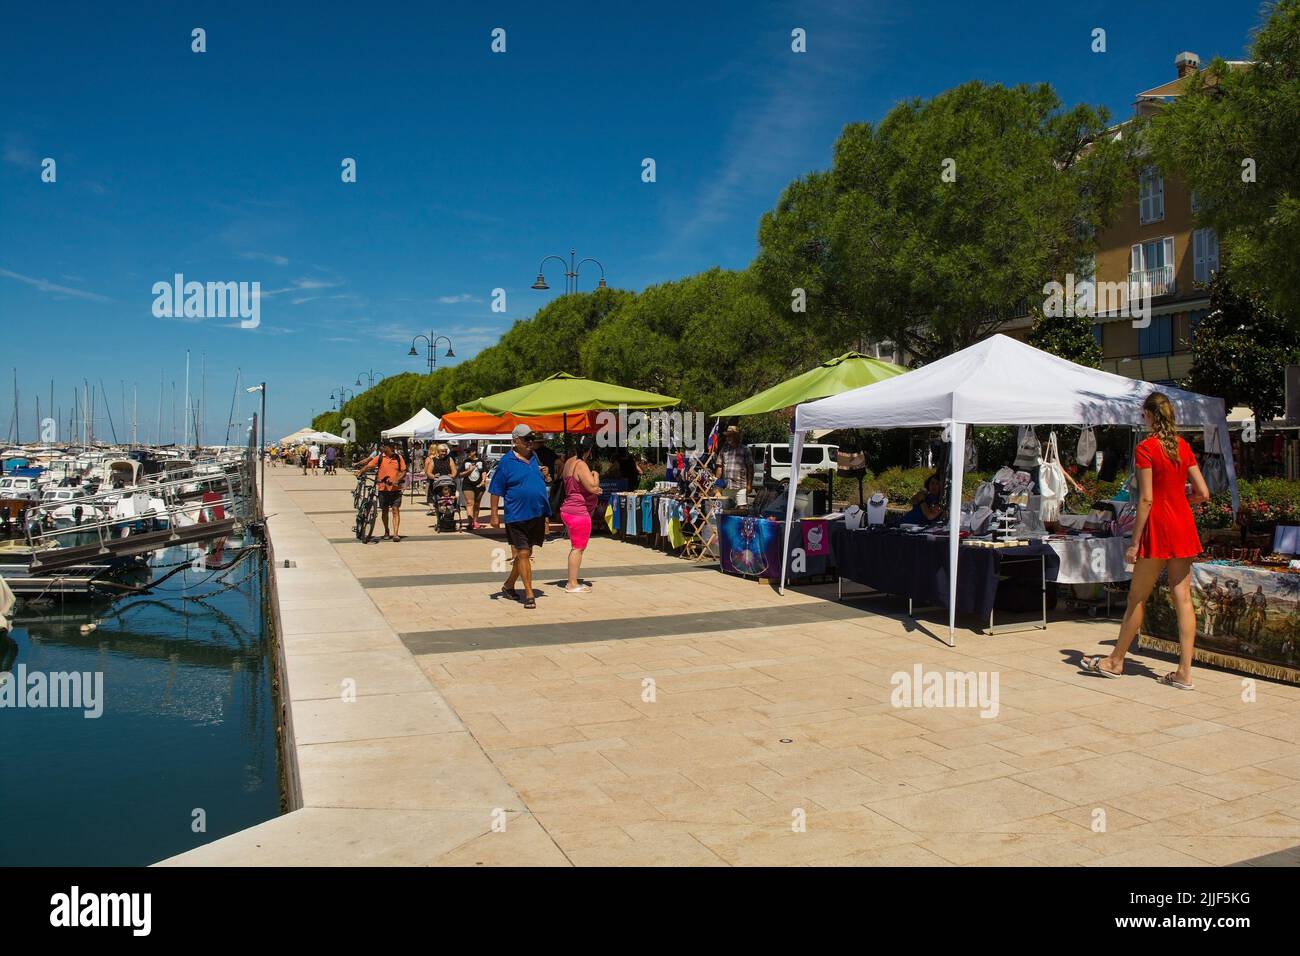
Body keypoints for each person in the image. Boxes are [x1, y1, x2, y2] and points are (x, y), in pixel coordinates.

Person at [1082, 392, 1210, 689]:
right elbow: (1203, 492)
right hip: (1183, 525)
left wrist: (1135, 542)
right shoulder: (1183, 447)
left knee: (1137, 597)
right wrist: (1181, 499)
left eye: (1143, 415)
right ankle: (1184, 673)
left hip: (1159, 527)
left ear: (1150, 415)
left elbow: (1147, 499)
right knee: (1183, 599)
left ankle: (1115, 661)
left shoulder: (1146, 448)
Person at [488, 424, 552, 609]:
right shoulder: (506, 462)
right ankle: (529, 593)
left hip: (537, 513)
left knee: (527, 552)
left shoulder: (534, 458)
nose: (530, 443)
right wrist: (494, 515)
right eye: (526, 439)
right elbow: (495, 490)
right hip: (516, 514)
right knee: (523, 552)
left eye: (532, 439)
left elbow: (539, 481)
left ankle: (508, 585)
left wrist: (545, 476)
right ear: (516, 441)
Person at [558, 439, 602, 593]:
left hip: (567, 508)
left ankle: (572, 580)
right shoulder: (581, 465)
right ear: (588, 450)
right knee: (578, 548)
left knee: (576, 547)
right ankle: (572, 583)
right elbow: (593, 487)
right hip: (578, 512)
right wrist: (595, 475)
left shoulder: (569, 462)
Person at [357, 440, 408, 541]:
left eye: (385, 446)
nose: (382, 448)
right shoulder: (380, 457)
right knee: (384, 511)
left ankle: (396, 534)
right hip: (383, 488)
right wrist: (360, 471)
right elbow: (369, 466)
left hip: (396, 489)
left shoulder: (398, 458)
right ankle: (386, 530)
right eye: (384, 447)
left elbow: (403, 471)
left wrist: (397, 480)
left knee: (395, 510)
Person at [714, 425, 753, 496]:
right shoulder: (724, 450)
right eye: (727, 436)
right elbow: (719, 467)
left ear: (737, 436)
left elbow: (750, 469)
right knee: (725, 507)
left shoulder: (745, 450)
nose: (728, 438)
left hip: (741, 487)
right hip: (726, 486)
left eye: (730, 436)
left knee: (742, 507)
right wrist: (717, 484)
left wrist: (749, 485)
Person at [423, 443, 457, 513]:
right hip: (437, 485)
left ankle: (448, 517)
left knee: (449, 503)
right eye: (442, 451)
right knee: (438, 503)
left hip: (448, 484)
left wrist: (452, 475)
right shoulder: (433, 460)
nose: (444, 453)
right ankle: (439, 518)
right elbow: (428, 472)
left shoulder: (449, 459)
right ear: (438, 451)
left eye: (445, 451)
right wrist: (433, 476)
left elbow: (454, 471)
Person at [459, 445, 486, 530]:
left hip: (479, 485)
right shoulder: (465, 461)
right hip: (468, 484)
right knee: (470, 503)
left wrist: (483, 481)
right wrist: (470, 470)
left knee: (477, 504)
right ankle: (470, 522)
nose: (467, 454)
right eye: (467, 452)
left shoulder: (481, 461)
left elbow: (484, 472)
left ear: (474, 452)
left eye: (469, 452)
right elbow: (460, 474)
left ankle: (475, 521)